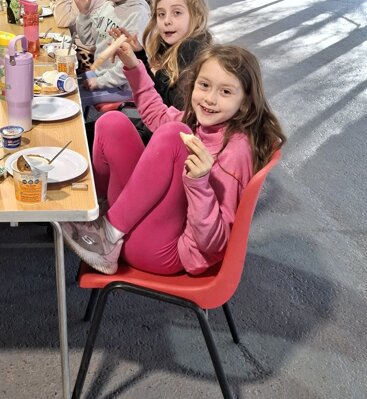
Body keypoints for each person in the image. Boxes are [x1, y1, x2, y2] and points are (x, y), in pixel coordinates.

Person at [62, 44, 285, 276]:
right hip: (134, 226)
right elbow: (156, 113)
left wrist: (199, 183)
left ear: (245, 102)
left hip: (168, 251)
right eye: (204, 85)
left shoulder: (236, 151)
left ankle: (107, 234)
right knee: (112, 123)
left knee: (173, 134)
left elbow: (214, 242)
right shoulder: (195, 122)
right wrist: (133, 67)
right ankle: (101, 218)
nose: (210, 99)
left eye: (226, 92)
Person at [74, 0, 151, 105]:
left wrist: (100, 82)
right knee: (65, 87)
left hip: (124, 85)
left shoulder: (138, 13)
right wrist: (84, 13)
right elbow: (88, 40)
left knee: (73, 100)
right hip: (101, 75)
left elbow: (129, 62)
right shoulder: (107, 6)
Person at [133, 0, 213, 108]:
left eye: (177, 13)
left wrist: (158, 73)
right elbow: (154, 95)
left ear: (197, 16)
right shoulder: (170, 46)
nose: (167, 21)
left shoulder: (191, 48)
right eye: (161, 14)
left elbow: (172, 104)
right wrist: (139, 53)